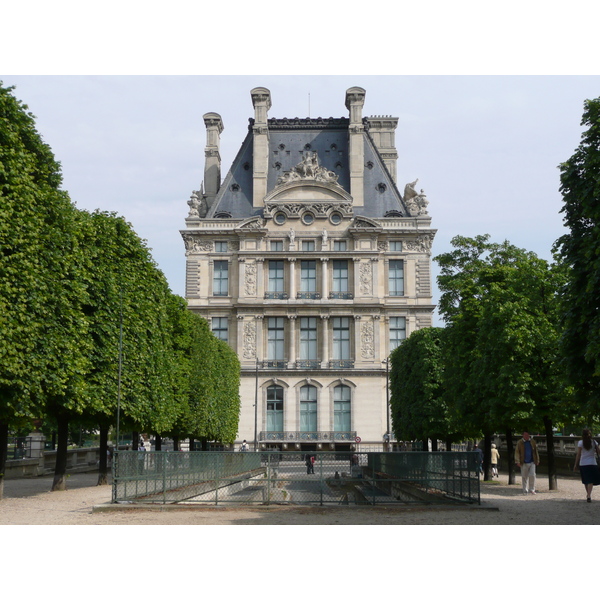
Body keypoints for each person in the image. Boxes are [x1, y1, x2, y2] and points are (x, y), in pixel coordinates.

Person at [573, 428, 600, 502]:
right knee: (591, 480)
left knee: (585, 480)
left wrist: (576, 464)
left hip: (583, 463)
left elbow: (578, 454)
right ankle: (589, 494)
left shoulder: (580, 443)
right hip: (592, 463)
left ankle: (588, 494)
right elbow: (599, 452)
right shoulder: (594, 442)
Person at [515, 430, 540, 495]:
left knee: (532, 475)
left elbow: (536, 451)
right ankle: (525, 489)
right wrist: (517, 461)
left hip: (532, 461)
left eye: (527, 435)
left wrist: (537, 460)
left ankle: (532, 489)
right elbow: (517, 452)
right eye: (525, 435)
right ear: (523, 435)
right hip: (523, 462)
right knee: (524, 476)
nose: (526, 436)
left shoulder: (532, 442)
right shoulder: (520, 442)